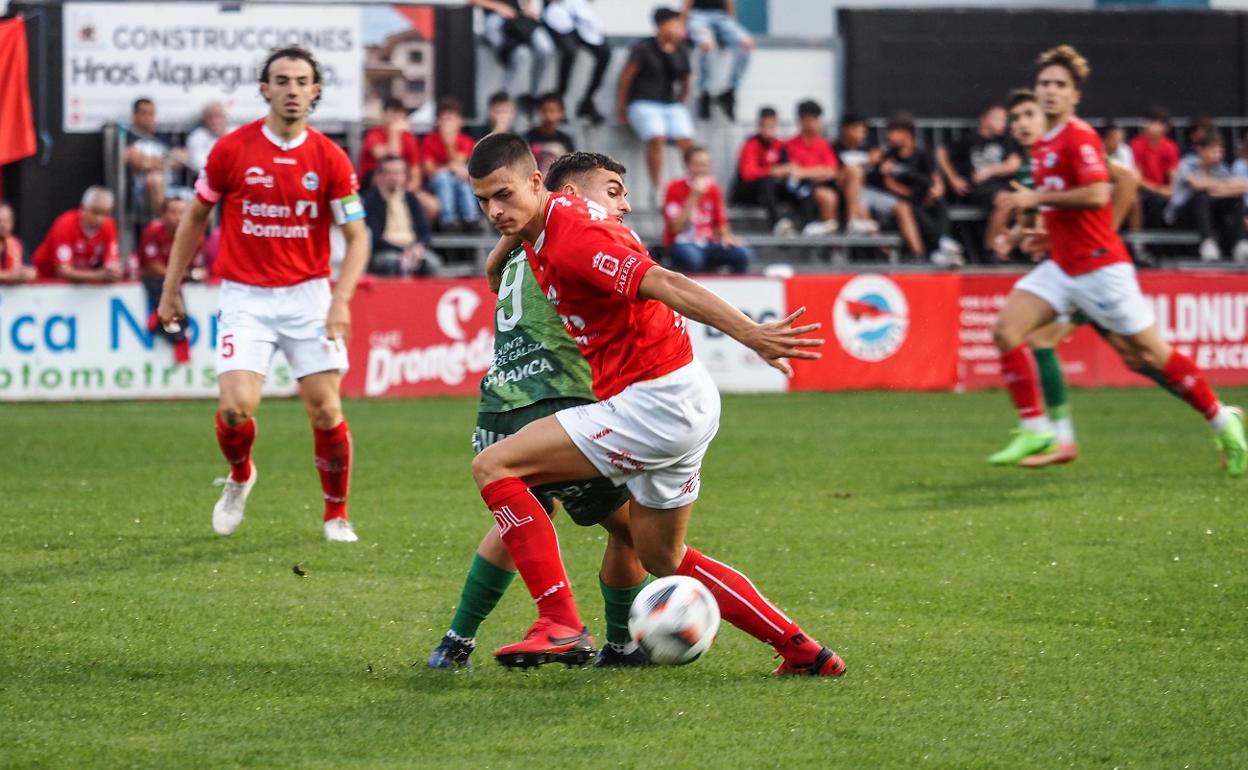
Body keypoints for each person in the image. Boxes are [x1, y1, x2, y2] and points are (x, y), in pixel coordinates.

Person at [467, 132, 845, 676]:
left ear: (535, 183)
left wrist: (751, 334)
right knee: (663, 557)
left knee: (495, 464)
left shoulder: (573, 234)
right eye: (483, 201)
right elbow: (524, 233)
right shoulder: (549, 220)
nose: (493, 211)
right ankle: (804, 651)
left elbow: (662, 281)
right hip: (686, 396)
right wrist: (515, 227)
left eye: (503, 195)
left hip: (653, 402)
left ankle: (560, 621)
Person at [429, 152, 649, 670]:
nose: (625, 206)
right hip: (559, 402)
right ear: (569, 197)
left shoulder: (522, 248)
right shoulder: (580, 245)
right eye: (613, 191)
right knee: (638, 526)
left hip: (496, 411)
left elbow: (489, 269)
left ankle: (456, 641)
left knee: (523, 517)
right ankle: (619, 645)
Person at [992, 45, 1246, 474]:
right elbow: (1061, 206)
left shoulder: (1079, 136)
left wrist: (1089, 225)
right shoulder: (1041, 146)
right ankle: (1037, 428)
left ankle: (1224, 421)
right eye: (1044, 84)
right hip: (1063, 267)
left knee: (1148, 355)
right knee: (1006, 330)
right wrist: (1038, 233)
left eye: (1059, 85)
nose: (1050, 91)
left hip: (1100, 270)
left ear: (1075, 96)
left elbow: (1098, 191)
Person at [157, 46, 371, 541]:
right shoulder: (231, 150)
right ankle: (239, 475)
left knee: (325, 409)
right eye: (282, 80)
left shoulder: (330, 158)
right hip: (246, 297)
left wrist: (340, 299)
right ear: (265, 88)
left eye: (301, 81)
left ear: (314, 90)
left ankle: (335, 514)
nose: (292, 89)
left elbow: (358, 236)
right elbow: (194, 219)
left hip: (309, 297)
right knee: (235, 408)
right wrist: (172, 289)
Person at [616, 7, 695, 201]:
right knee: (656, 137)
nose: (678, 29)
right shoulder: (644, 48)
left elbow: (685, 80)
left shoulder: (681, 48)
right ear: (661, 26)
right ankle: (657, 188)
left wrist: (681, 102)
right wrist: (621, 107)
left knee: (687, 140)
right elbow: (626, 78)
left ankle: (691, 183)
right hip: (643, 101)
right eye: (674, 24)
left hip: (670, 103)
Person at [870, 112, 961, 265]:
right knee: (912, 207)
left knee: (940, 204)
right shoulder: (888, 156)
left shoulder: (923, 154)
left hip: (923, 197)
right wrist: (911, 194)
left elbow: (935, 179)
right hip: (903, 200)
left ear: (906, 134)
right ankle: (941, 244)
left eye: (893, 132)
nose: (889, 136)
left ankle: (942, 243)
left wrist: (935, 192)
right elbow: (889, 185)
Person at [834, 113, 925, 256]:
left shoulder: (871, 148)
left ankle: (918, 253)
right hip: (849, 193)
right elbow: (837, 175)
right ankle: (882, 250)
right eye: (857, 128)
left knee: (903, 207)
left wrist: (884, 167)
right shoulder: (836, 148)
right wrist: (866, 162)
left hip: (872, 192)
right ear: (846, 129)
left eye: (864, 129)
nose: (862, 133)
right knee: (861, 200)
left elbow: (883, 176)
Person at [937, 103, 1021, 258]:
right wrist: (953, 178)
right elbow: (942, 153)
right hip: (978, 189)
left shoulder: (1005, 140)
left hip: (1002, 186)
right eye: (998, 118)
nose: (1003, 123)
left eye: (1005, 119)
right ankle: (990, 252)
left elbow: (1014, 163)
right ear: (985, 119)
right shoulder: (970, 140)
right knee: (1005, 200)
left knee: (1019, 201)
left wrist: (990, 171)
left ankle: (998, 249)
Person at [663, 145, 752, 273]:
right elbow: (675, 228)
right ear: (687, 165)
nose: (702, 170)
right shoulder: (674, 187)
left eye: (705, 165)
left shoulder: (714, 188)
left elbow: (720, 223)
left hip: (708, 242)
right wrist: (694, 196)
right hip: (682, 242)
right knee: (693, 259)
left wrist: (727, 237)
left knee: (742, 254)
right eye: (697, 165)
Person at [138, 195, 203, 363]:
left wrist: (192, 275)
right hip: (156, 282)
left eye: (182, 212)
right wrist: (183, 275)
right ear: (163, 214)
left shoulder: (195, 235)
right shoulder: (152, 232)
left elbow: (196, 267)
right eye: (173, 212)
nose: (178, 217)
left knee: (180, 321)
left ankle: (159, 321)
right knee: (161, 283)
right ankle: (160, 319)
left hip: (178, 284)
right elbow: (153, 267)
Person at [1164, 133, 1248, 263]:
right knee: (1201, 195)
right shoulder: (1187, 163)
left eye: (1220, 151)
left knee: (1236, 198)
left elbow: (1242, 186)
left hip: (1209, 215)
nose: (1217, 154)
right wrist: (1222, 186)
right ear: (1201, 150)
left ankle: (1241, 244)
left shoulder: (1221, 168)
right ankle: (1207, 243)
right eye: (1213, 150)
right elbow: (1195, 184)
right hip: (1182, 215)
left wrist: (1217, 189)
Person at [471, 0, 555, 114]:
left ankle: (533, 96)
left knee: (545, 49)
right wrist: (499, 7)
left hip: (518, 17)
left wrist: (528, 7)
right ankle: (504, 101)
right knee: (520, 54)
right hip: (494, 17)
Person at [362, 155, 441, 276]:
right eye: (390, 173)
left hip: (413, 249)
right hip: (385, 251)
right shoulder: (370, 200)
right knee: (395, 262)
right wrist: (403, 251)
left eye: (398, 173)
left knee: (433, 263)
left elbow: (424, 231)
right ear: (380, 176)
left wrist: (419, 247)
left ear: (405, 176)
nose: (394, 177)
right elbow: (374, 237)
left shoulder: (411, 198)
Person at [32, 187, 122, 283]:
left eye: (105, 213)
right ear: (83, 208)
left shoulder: (109, 225)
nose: (100, 219)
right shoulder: (66, 224)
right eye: (95, 212)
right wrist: (99, 275)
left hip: (78, 283)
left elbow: (111, 263)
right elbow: (63, 271)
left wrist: (113, 272)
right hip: (45, 281)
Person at [683, 0, 753, 122]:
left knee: (746, 44)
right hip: (698, 16)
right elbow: (687, 4)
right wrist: (682, 25)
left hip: (721, 17)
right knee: (708, 46)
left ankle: (730, 91)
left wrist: (731, 26)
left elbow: (729, 3)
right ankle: (705, 93)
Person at [542, 0, 610, 125]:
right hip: (557, 13)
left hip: (577, 11)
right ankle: (559, 100)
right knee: (569, 52)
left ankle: (588, 99)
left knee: (604, 52)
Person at [421, 98, 482, 232]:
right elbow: (430, 171)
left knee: (463, 181)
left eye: (452, 119)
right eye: (445, 119)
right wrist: (450, 167)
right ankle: (448, 220)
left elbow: (459, 163)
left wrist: (449, 143)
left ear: (459, 122)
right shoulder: (429, 140)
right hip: (435, 184)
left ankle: (471, 218)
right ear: (438, 121)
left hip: (457, 180)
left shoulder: (465, 140)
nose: (448, 123)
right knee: (444, 177)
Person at [125, 97, 189, 221]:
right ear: (134, 115)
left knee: (206, 193)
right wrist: (166, 161)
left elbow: (183, 158)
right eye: (144, 113)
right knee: (155, 179)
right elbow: (138, 162)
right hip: (142, 189)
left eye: (151, 113)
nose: (148, 117)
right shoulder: (129, 136)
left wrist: (151, 162)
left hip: (172, 186)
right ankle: (162, 226)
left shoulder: (162, 136)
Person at [731, 107, 793, 232]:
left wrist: (788, 172)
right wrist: (771, 171)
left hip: (770, 194)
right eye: (766, 126)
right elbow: (747, 173)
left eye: (772, 126)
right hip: (748, 193)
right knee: (766, 181)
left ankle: (809, 225)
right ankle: (777, 225)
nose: (769, 130)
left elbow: (786, 169)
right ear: (759, 125)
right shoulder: (751, 144)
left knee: (799, 187)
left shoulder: (779, 146)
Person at [1129, 106, 1180, 228]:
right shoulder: (1136, 144)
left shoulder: (1170, 147)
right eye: (1147, 121)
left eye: (1153, 122)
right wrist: (1159, 190)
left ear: (1165, 127)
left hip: (1163, 192)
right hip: (1143, 192)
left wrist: (1170, 190)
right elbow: (1136, 179)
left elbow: (1173, 176)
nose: (1147, 125)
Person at [523, 93, 576, 174]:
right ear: (538, 112)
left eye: (552, 111)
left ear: (561, 113)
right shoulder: (528, 138)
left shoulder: (565, 140)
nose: (548, 116)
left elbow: (571, 168)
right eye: (545, 111)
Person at [186, 101, 228, 174]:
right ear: (204, 119)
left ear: (225, 118)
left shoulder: (235, 133)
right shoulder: (197, 136)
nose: (214, 121)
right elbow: (199, 164)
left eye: (218, 116)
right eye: (210, 117)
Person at [0, 202, 33, 284]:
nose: (3, 225)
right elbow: (10, 276)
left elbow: (32, 271)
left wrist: (23, 273)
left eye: (6, 220)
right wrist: (9, 276)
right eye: (0, 221)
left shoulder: (18, 244)